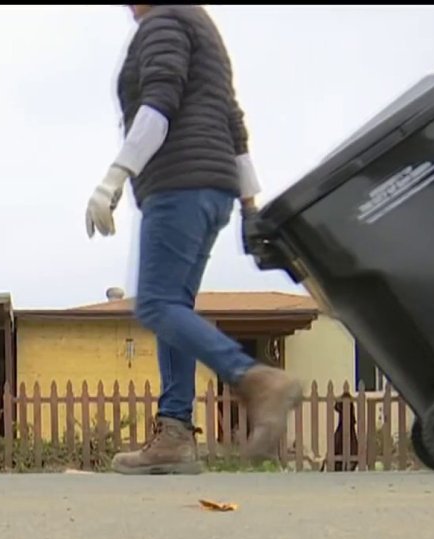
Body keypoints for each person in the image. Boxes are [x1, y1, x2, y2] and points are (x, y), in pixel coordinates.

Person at [85, 5, 303, 475]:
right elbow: (234, 122)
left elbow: (159, 104)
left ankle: (256, 380)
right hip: (215, 190)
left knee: (156, 306)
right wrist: (249, 208)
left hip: (178, 184)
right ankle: (175, 435)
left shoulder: (164, 22)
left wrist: (113, 178)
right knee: (173, 309)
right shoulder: (201, 26)